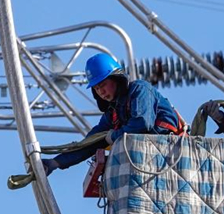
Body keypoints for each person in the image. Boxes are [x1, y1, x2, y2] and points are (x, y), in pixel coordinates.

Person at [42, 53, 186, 176]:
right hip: (148, 156)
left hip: (170, 149)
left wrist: (114, 136)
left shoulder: (139, 90)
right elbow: (90, 143)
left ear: (116, 79)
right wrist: (56, 162)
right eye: (97, 88)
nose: (101, 92)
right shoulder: (113, 114)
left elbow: (142, 124)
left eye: (103, 85)